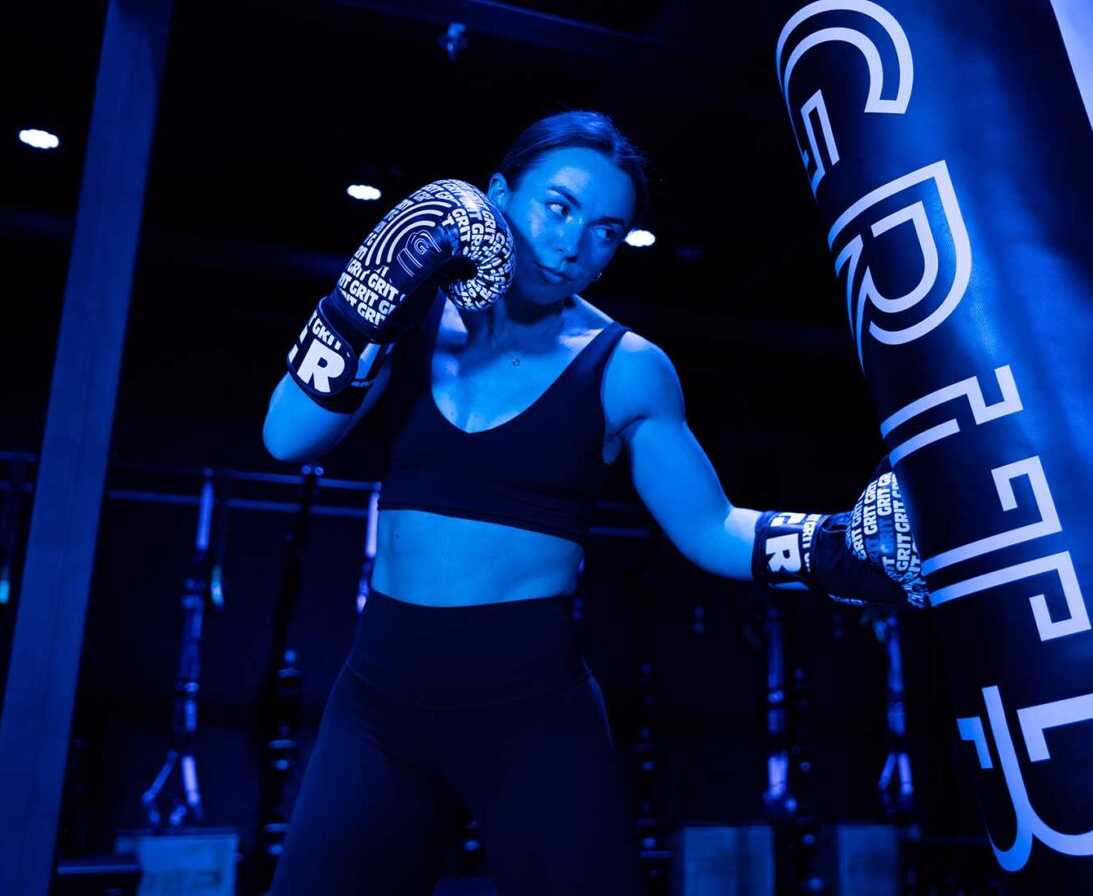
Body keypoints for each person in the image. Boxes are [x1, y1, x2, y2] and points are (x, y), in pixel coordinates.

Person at [262, 110, 927, 894]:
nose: (575, 244)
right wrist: (360, 302)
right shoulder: (415, 316)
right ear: (500, 194)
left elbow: (710, 527)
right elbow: (287, 438)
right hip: (377, 699)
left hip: (528, 709)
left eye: (606, 229)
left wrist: (836, 546)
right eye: (559, 206)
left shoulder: (629, 368)